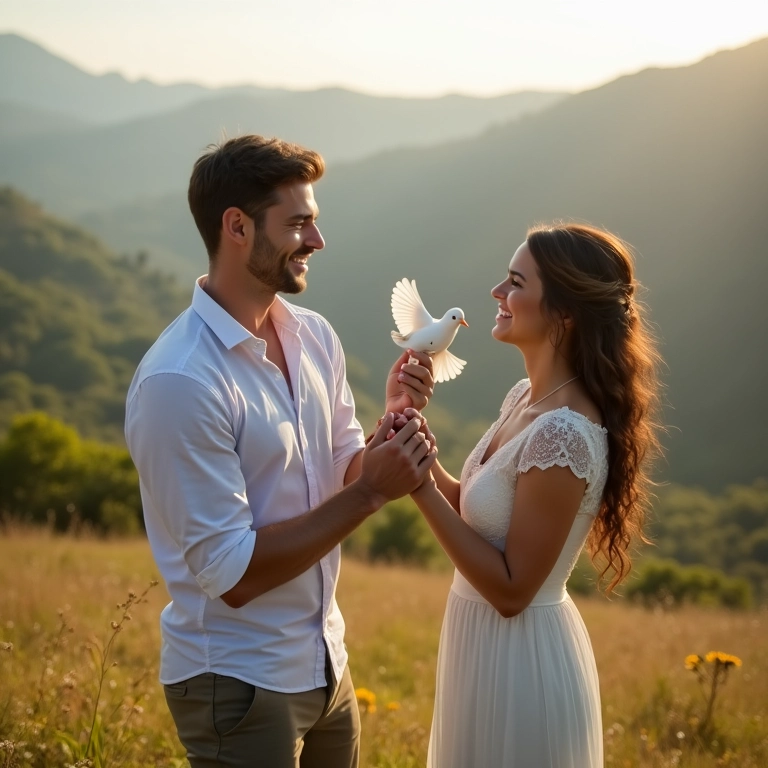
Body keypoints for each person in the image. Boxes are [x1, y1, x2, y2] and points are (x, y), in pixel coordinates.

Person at [124, 135, 437, 768]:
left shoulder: (314, 335)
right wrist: (373, 489)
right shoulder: (180, 382)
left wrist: (393, 427)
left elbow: (344, 464)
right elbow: (232, 575)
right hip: (237, 680)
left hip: (327, 663)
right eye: (298, 224)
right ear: (236, 227)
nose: (317, 242)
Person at [408, 223, 663, 767]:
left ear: (564, 313)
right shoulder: (524, 398)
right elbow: (478, 514)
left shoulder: (563, 433)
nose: (498, 294)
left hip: (521, 665)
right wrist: (416, 444)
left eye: (515, 282)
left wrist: (417, 486)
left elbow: (511, 590)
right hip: (477, 654)